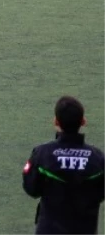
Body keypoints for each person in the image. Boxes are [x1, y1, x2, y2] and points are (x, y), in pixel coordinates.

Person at [22, 95, 105, 234]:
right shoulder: (98, 158)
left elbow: (31, 189)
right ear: (83, 121)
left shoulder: (42, 154)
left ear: (56, 121)